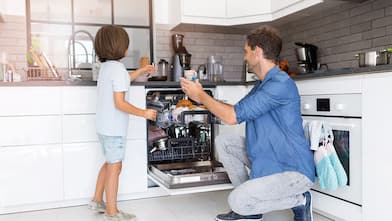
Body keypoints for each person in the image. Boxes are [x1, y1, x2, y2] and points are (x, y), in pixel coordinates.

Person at [180, 26, 315, 221]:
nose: (245, 57)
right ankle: (251, 208)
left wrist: (201, 96)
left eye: (246, 51)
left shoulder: (279, 85)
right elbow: (235, 110)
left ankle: (299, 200)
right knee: (224, 142)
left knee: (237, 201)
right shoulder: (262, 85)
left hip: (292, 171)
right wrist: (202, 97)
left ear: (257, 51)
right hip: (271, 160)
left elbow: (232, 117)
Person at [88, 25, 157, 221]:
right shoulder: (117, 68)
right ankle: (112, 211)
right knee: (115, 167)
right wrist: (143, 112)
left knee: (110, 163)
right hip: (114, 129)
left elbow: (124, 80)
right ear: (119, 47)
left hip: (103, 127)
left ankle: (96, 200)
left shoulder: (107, 68)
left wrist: (141, 71)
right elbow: (120, 103)